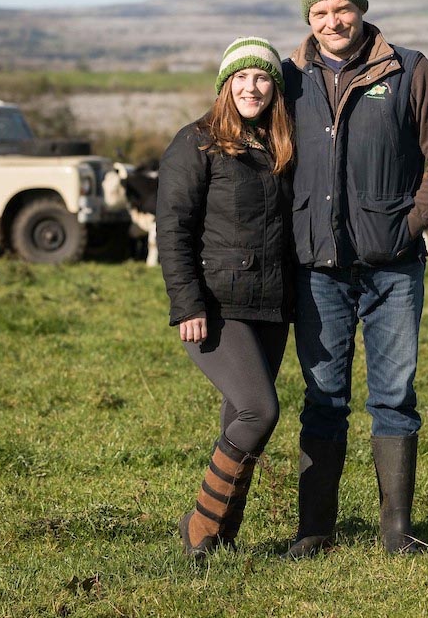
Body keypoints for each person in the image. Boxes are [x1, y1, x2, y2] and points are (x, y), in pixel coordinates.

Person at [282, 0, 428, 556]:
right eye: (320, 13)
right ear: (308, 20)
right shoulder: (287, 79)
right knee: (322, 398)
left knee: (394, 396)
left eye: (342, 9)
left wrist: (407, 226)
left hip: (393, 269)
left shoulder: (409, 70)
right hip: (317, 268)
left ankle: (397, 533)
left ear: (361, 10)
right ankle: (315, 532)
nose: (333, 22)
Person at [156, 36, 295, 558]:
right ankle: (199, 522)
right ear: (225, 84)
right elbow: (173, 228)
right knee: (261, 411)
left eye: (261, 77)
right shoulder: (195, 142)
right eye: (241, 77)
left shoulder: (280, 144)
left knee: (239, 416)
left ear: (273, 88)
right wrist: (187, 304)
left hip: (271, 306)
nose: (251, 87)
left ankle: (219, 537)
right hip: (216, 305)